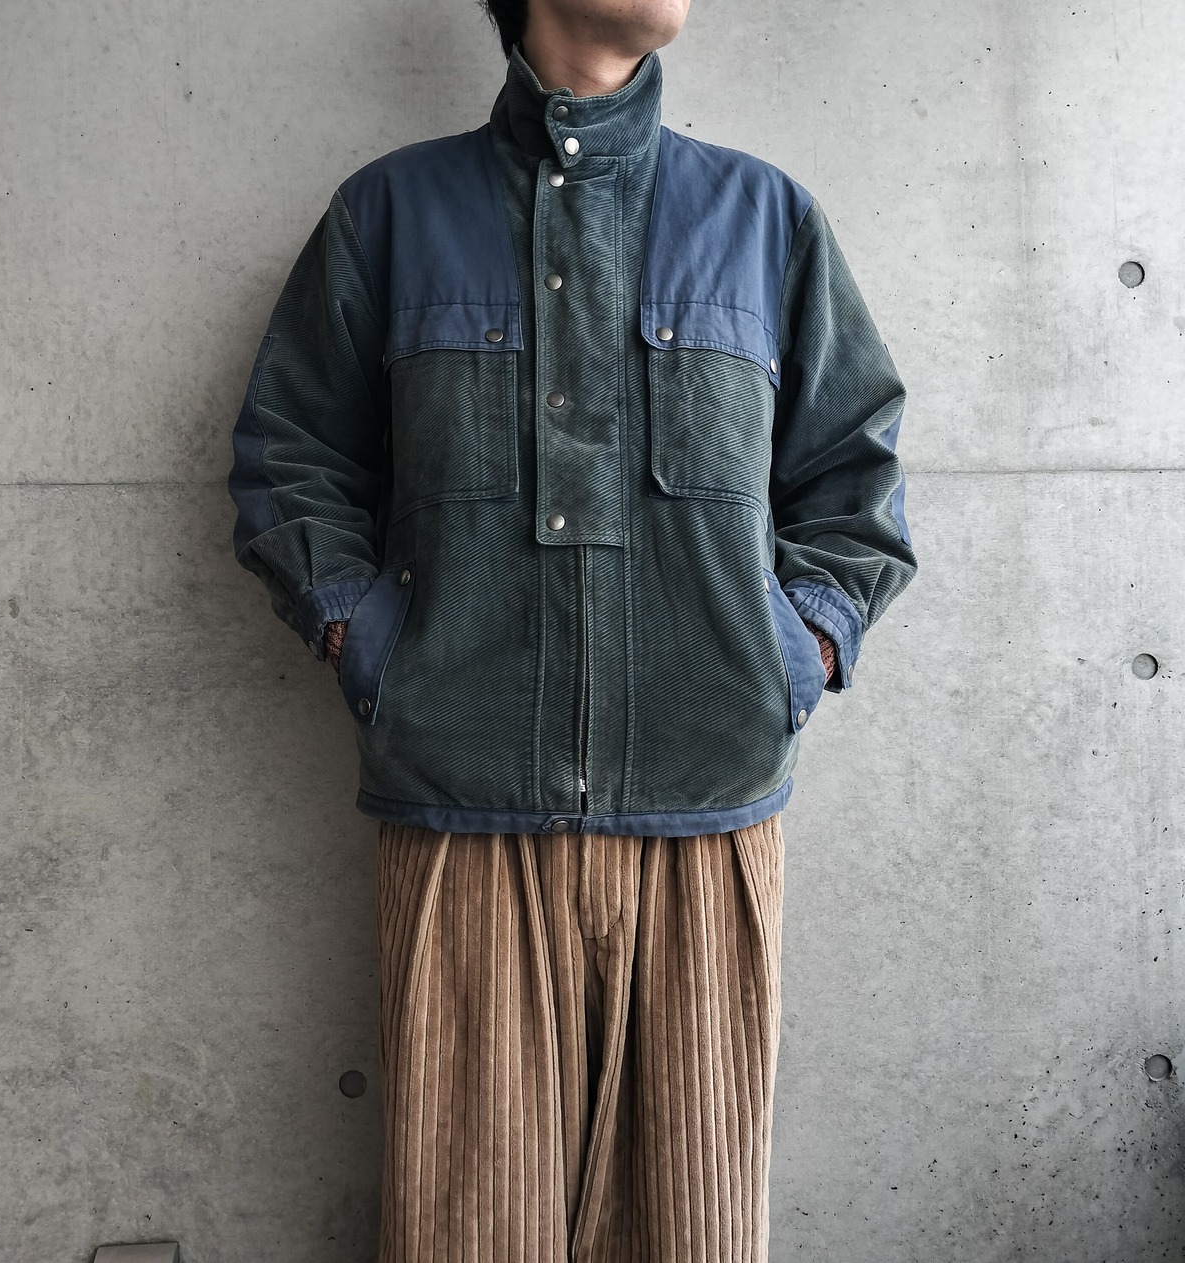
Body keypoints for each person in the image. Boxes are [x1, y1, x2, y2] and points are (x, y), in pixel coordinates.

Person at [227, 0, 917, 1257]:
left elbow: (852, 481)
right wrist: (366, 645)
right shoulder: (391, 215)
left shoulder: (763, 220)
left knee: (691, 1230)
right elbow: (291, 457)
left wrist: (789, 652)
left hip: (707, 814)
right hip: (460, 811)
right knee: (467, 1234)